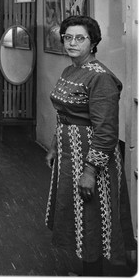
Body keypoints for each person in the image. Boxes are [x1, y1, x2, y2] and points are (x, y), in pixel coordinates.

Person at [45, 15, 135, 276]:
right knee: (80, 217)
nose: (72, 43)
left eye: (79, 38)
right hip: (68, 154)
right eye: (68, 37)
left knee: (93, 217)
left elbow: (106, 131)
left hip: (91, 159)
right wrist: (53, 146)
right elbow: (63, 113)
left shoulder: (101, 78)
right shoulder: (71, 69)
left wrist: (90, 171)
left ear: (93, 42)